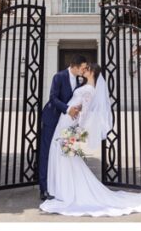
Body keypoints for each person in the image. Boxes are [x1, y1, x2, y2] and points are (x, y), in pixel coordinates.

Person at [40, 63, 141, 217]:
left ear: (92, 73)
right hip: (64, 120)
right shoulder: (83, 85)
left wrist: (75, 131)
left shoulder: (90, 90)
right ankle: (59, 188)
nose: (83, 70)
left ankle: (66, 190)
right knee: (62, 155)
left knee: (65, 155)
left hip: (69, 124)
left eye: (87, 69)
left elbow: (85, 113)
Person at [39, 55, 87, 200]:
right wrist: (68, 109)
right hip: (52, 119)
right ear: (74, 66)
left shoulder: (79, 81)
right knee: (46, 152)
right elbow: (53, 98)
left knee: (65, 152)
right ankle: (44, 188)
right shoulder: (58, 77)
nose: (84, 71)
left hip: (67, 123)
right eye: (82, 68)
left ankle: (60, 185)